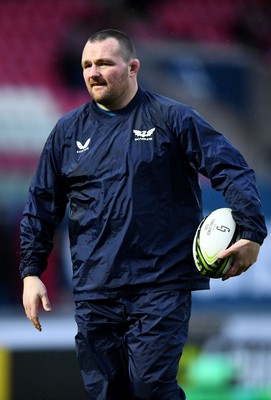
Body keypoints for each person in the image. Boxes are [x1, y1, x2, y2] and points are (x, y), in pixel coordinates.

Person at [19, 29, 267, 400]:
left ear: (133, 67)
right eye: (87, 65)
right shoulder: (67, 133)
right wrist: (31, 272)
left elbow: (232, 169)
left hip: (160, 285)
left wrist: (252, 231)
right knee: (108, 393)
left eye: (104, 62)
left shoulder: (173, 118)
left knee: (152, 387)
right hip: (95, 289)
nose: (93, 72)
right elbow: (40, 205)